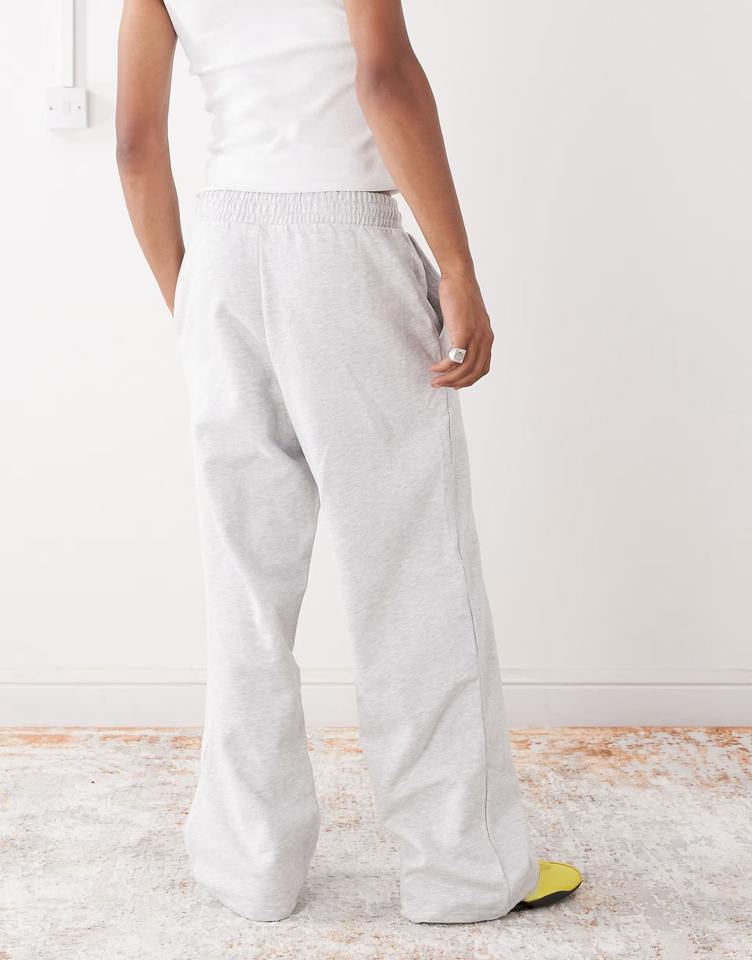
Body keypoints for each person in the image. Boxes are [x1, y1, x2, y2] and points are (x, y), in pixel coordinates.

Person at [115, 0, 581, 924]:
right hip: (341, 246)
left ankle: (249, 867)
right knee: (414, 571)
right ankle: (463, 870)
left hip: (222, 253)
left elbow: (135, 144)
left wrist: (190, 303)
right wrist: (457, 267)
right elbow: (385, 77)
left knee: (245, 584)